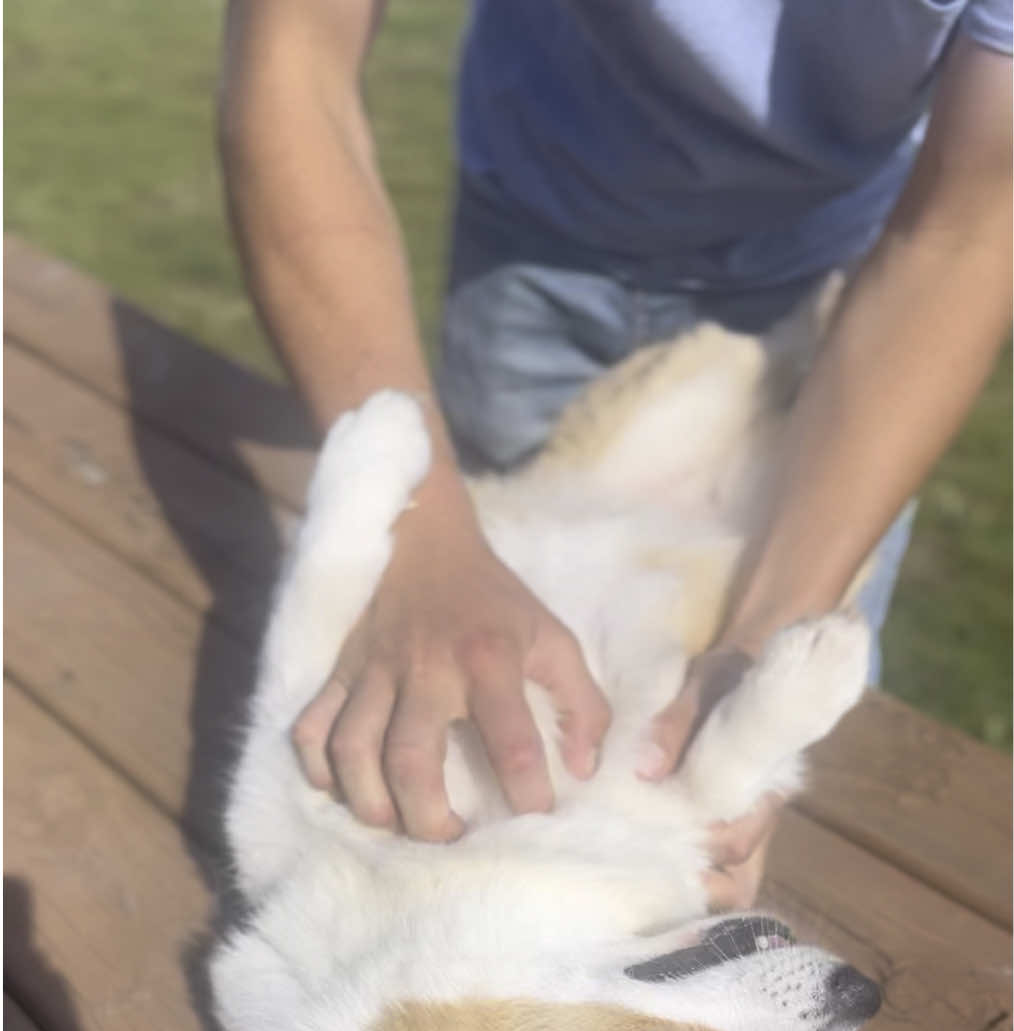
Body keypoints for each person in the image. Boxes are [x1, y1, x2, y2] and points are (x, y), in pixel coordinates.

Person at [219, 0, 1011, 905]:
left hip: (863, 276)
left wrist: (771, 632)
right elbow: (292, 59)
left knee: (746, 827)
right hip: (538, 234)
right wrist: (421, 524)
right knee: (458, 720)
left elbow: (966, 229)